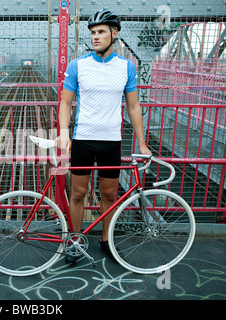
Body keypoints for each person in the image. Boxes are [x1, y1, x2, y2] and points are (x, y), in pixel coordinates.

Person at [57, 9, 152, 263]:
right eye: (92, 32)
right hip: (83, 139)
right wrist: (64, 134)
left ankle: (106, 241)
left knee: (109, 194)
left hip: (111, 139)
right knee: (78, 193)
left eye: (101, 32)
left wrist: (142, 144)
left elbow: (133, 107)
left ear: (114, 33)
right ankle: (75, 240)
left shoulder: (126, 68)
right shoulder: (78, 65)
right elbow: (65, 103)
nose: (95, 37)